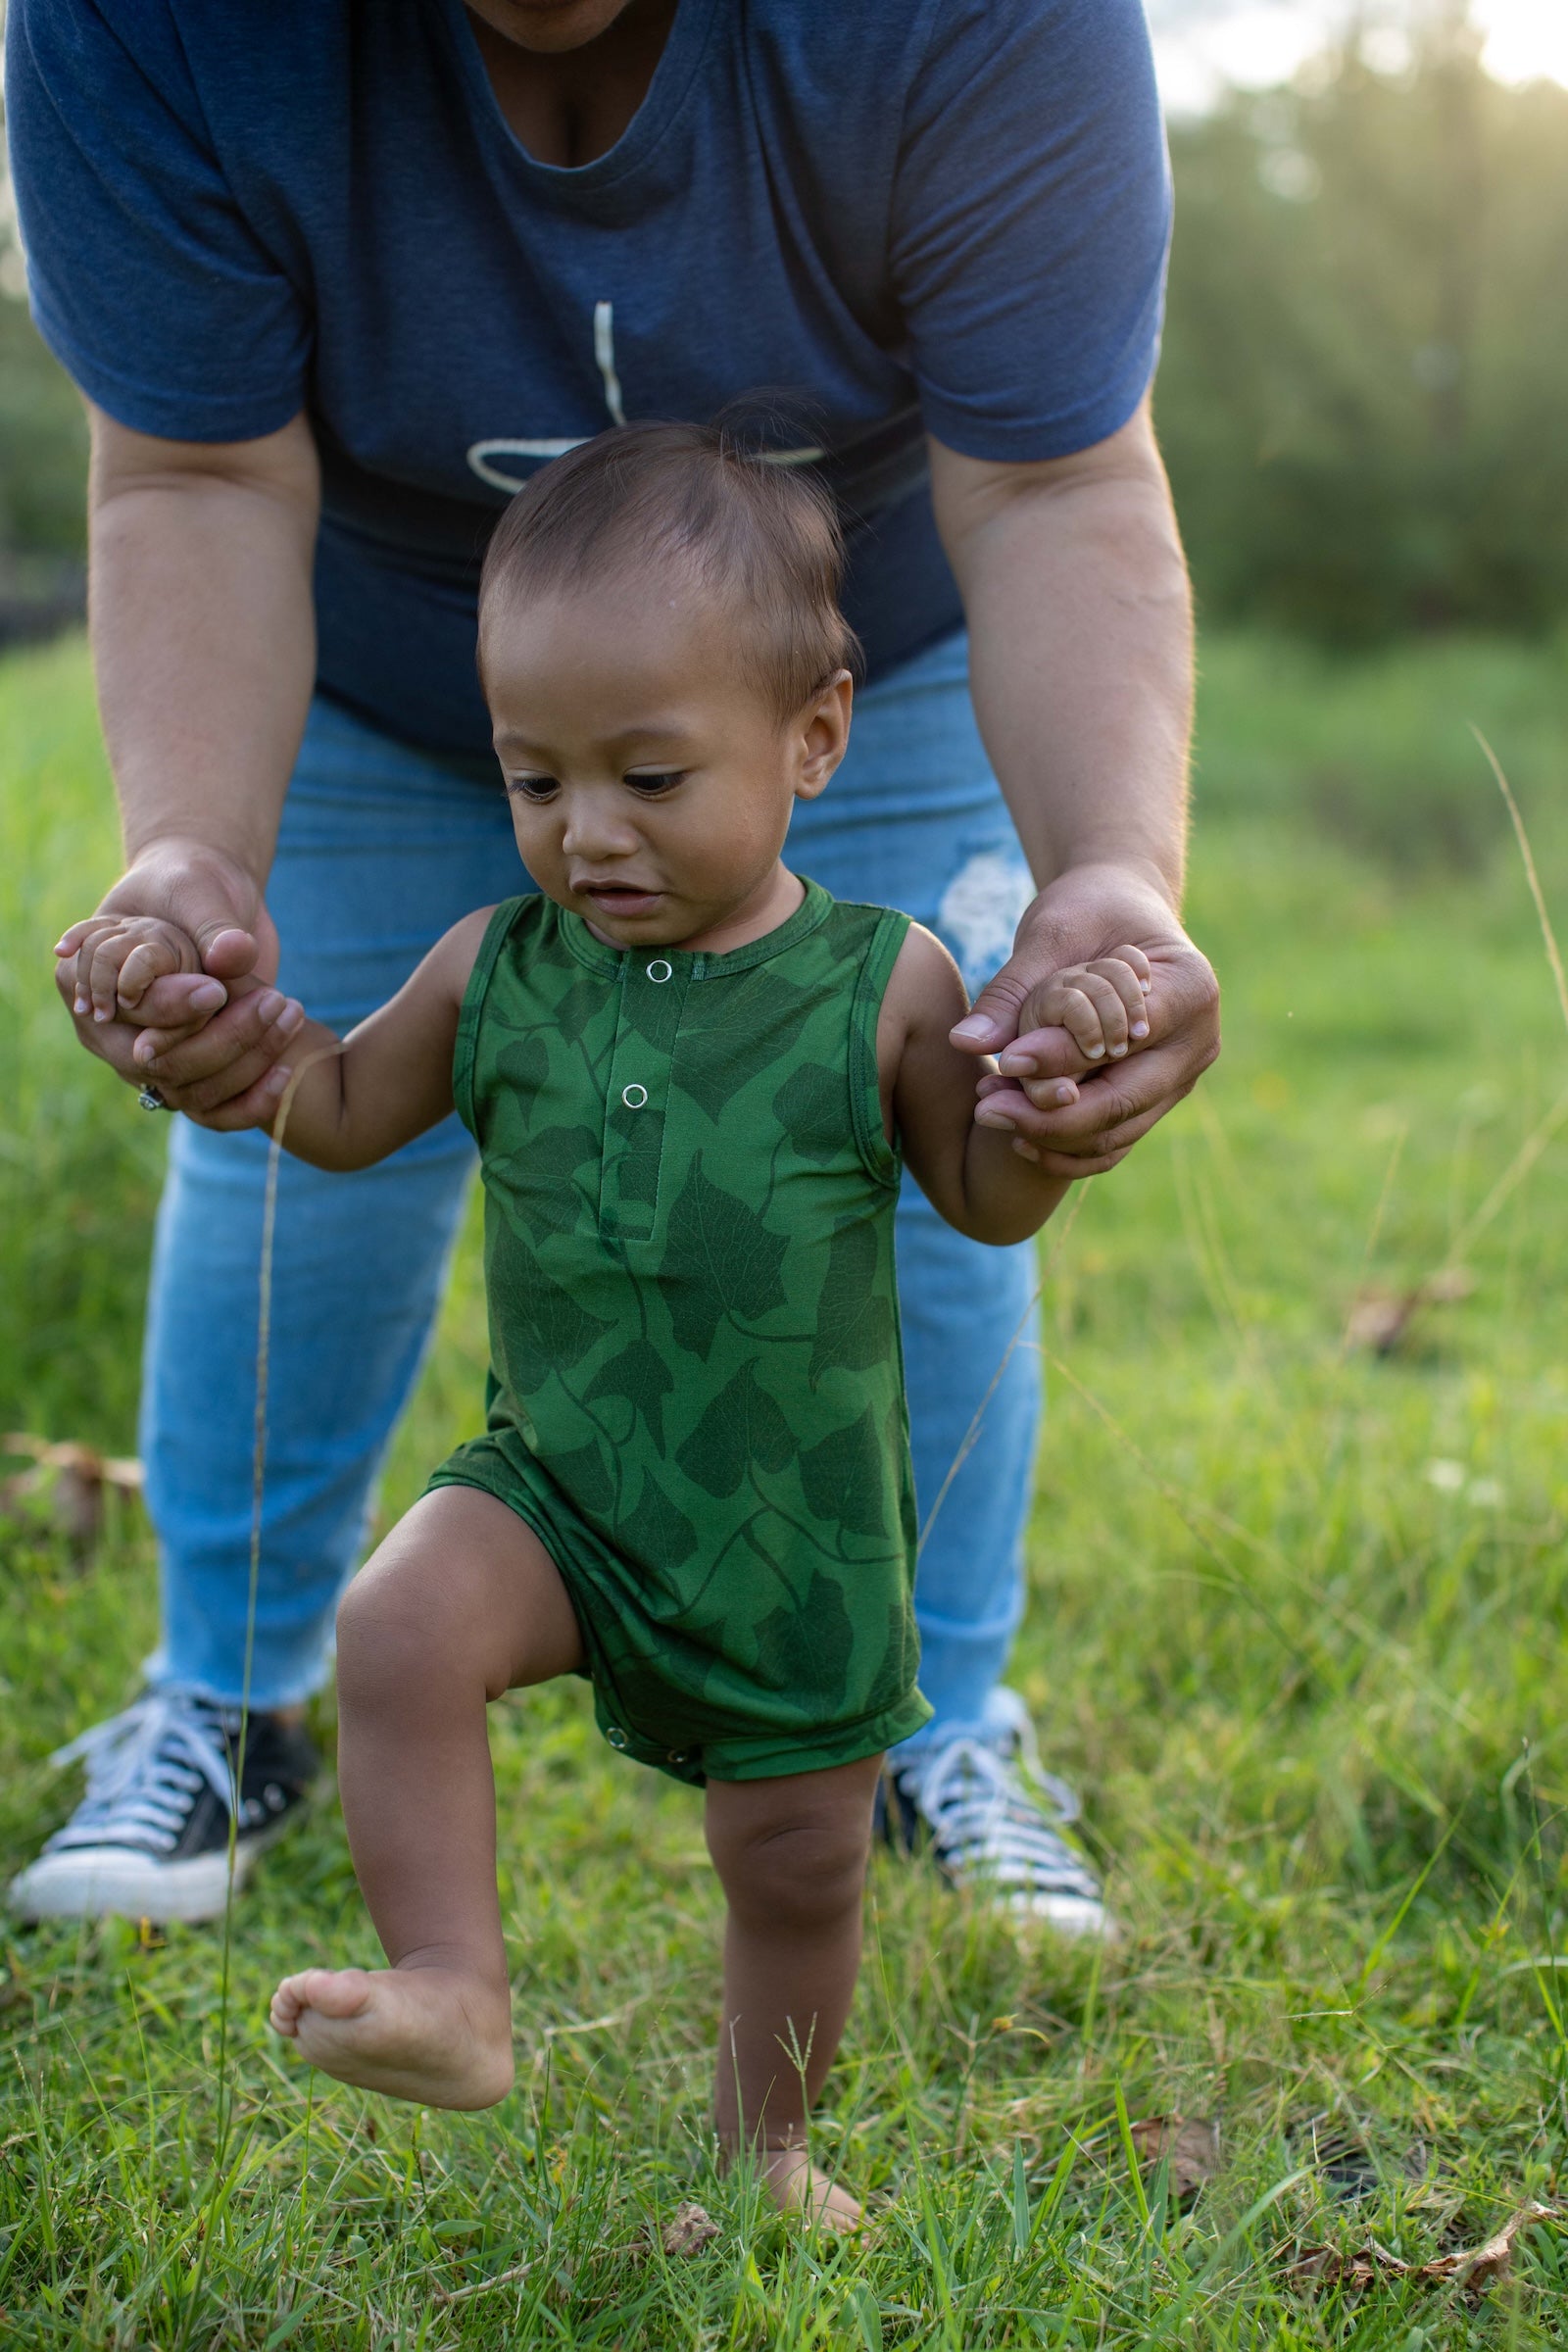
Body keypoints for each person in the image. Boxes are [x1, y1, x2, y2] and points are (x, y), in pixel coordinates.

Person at [6, 0, 1218, 1932]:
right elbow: (199, 478)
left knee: (923, 1107)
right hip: (405, 668)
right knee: (281, 1153)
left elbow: (1059, 482)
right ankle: (224, 1702)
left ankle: (931, 1728)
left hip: (842, 644)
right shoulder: (140, 26)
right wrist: (193, 857)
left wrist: (1106, 876)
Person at [60, 424, 1155, 2222]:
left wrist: (1043, 1117)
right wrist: (230, 1051)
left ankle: (765, 2149)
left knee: (795, 1860)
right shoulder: (494, 965)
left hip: (792, 1523)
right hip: (557, 1488)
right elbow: (340, 1111)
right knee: (398, 1626)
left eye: (651, 775)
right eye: (535, 778)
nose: (589, 833)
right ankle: (451, 1988)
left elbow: (981, 1195)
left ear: (815, 737)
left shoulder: (884, 978)